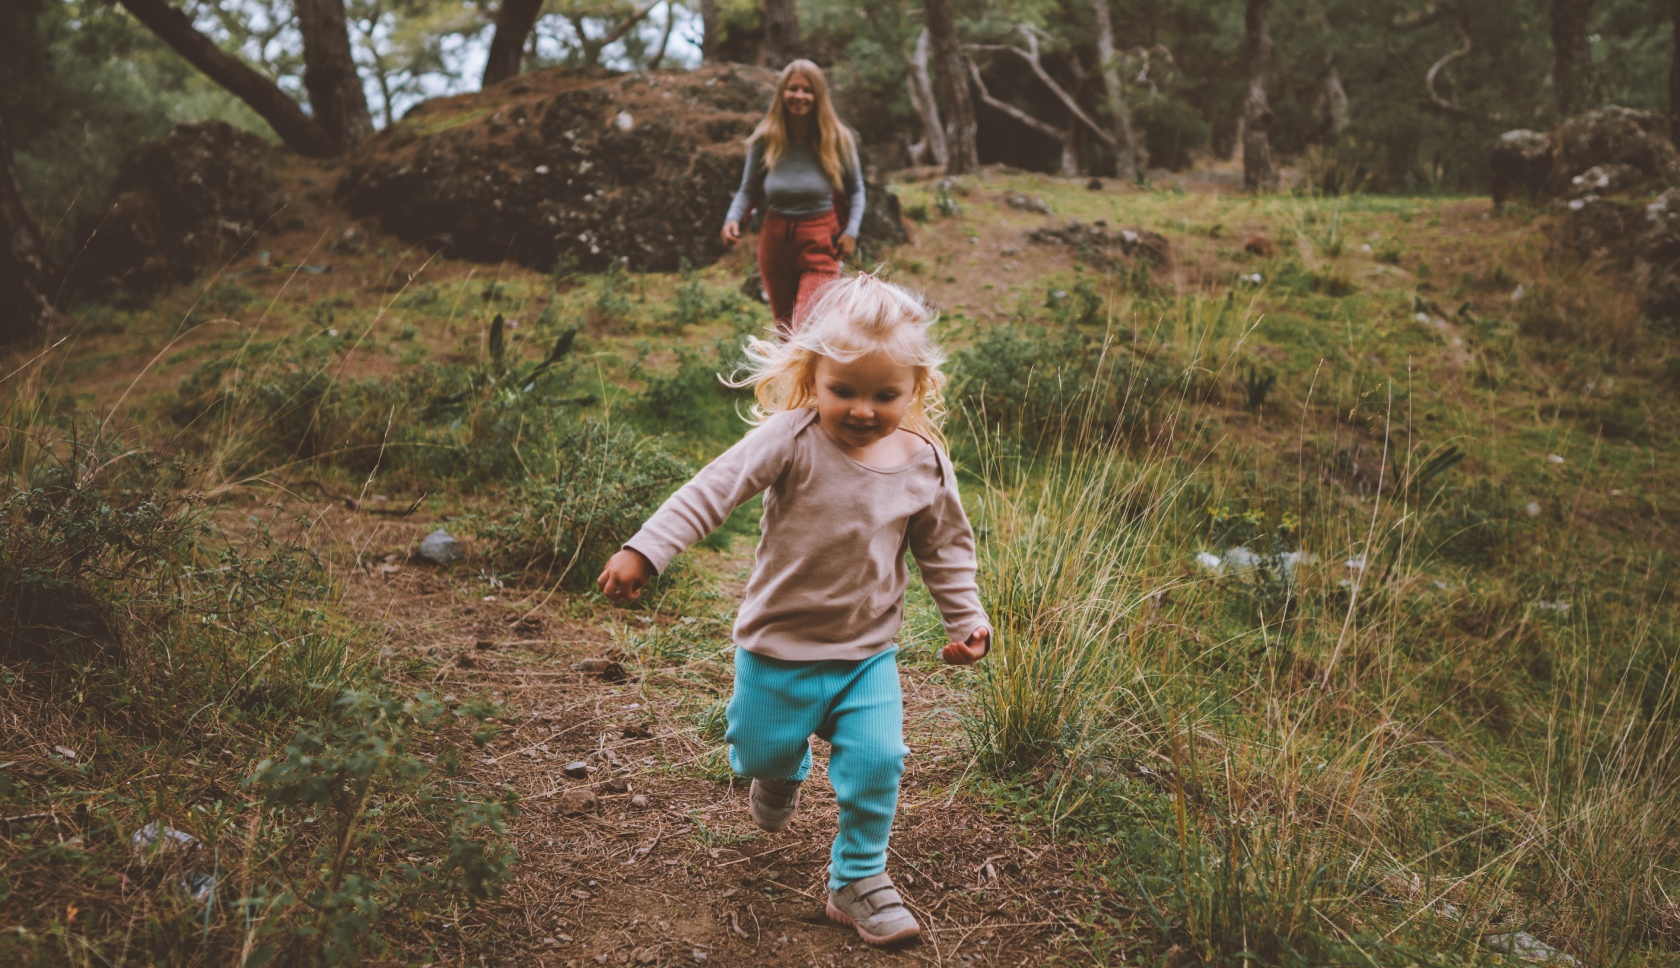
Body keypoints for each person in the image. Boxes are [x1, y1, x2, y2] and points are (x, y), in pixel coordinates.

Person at [597, 273, 991, 946]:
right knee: (760, 749)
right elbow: (712, 491)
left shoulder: (923, 463)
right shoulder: (792, 438)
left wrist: (967, 619)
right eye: (844, 390)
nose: (862, 410)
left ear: (916, 387)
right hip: (777, 649)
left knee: (879, 760)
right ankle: (779, 771)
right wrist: (646, 550)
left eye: (884, 395)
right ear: (812, 377)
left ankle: (857, 879)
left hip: (866, 655)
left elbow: (947, 549)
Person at [722, 60, 867, 336]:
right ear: (782, 93)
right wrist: (732, 218)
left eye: (807, 90)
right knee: (786, 332)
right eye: (793, 89)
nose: (799, 96)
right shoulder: (765, 138)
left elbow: (856, 189)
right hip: (775, 243)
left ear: (818, 95)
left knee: (805, 327)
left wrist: (851, 231)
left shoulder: (837, 138)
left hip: (821, 241)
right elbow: (748, 188)